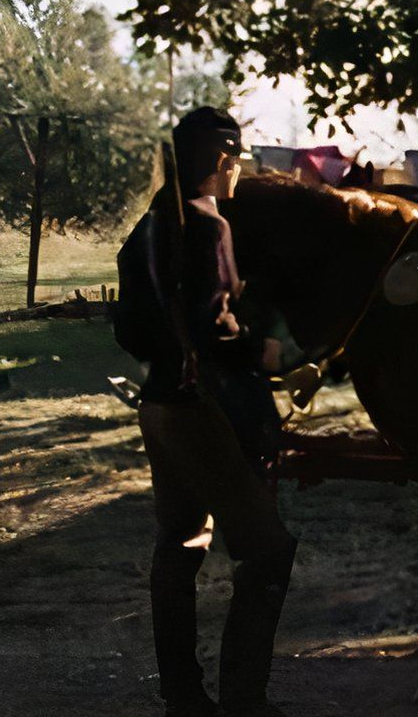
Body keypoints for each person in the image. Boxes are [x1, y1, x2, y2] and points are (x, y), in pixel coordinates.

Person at [115, 107, 296, 717]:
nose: (240, 168)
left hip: (159, 405)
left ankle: (184, 699)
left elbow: (133, 330)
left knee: (180, 545)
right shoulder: (207, 224)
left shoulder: (146, 226)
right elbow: (213, 328)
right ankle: (244, 702)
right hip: (204, 410)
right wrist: (262, 350)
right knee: (266, 551)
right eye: (237, 158)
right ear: (223, 158)